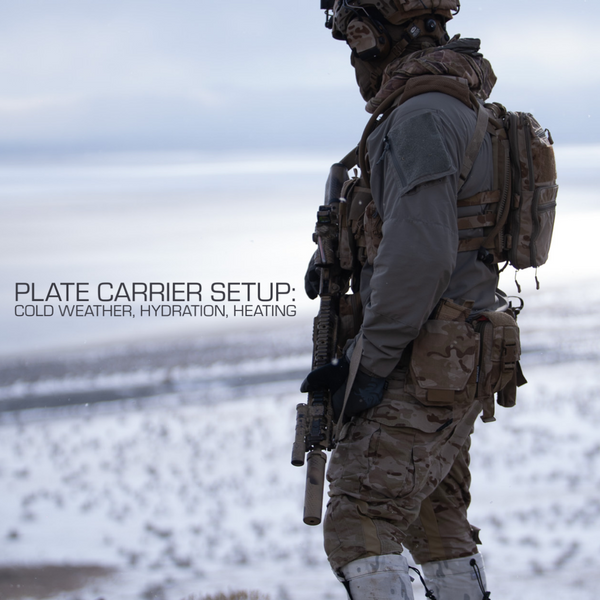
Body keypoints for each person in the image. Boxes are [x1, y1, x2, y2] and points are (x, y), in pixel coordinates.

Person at [301, 1, 524, 598]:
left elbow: (422, 254)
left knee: (360, 523)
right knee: (434, 518)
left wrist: (367, 363)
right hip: (450, 353)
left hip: (418, 356)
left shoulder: (421, 115)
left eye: (355, 34)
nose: (353, 55)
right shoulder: (455, 104)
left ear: (378, 33)